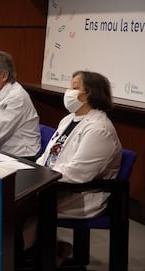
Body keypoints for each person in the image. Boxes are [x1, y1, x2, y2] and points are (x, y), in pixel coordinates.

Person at [26, 71, 122, 266]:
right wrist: (32, 171)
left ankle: (31, 255)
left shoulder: (99, 129)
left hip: (79, 194)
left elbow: (78, 173)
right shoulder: (69, 119)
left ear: (88, 94)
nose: (68, 91)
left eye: (74, 87)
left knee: (21, 206)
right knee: (14, 200)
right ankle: (38, 251)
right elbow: (48, 157)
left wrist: (37, 178)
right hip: (51, 184)